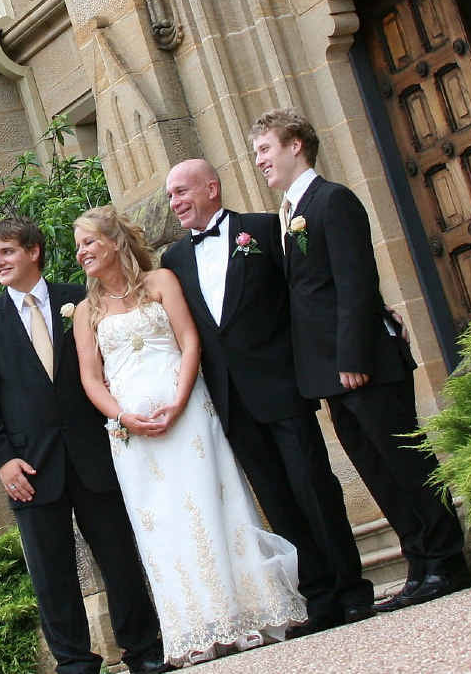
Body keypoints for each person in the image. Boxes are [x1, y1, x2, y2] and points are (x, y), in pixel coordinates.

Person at [250, 107, 471, 610]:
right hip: (330, 371)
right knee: (376, 470)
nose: (258, 159)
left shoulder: (334, 200)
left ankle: (447, 559)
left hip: (363, 363)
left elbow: (355, 282)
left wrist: (353, 356)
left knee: (405, 461)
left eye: (265, 148)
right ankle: (419, 564)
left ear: (295, 146)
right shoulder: (289, 215)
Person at [72, 205, 306, 667]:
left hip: (189, 414)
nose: (81, 253)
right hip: (134, 436)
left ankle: (247, 613)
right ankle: (195, 626)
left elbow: (189, 340)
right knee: (162, 521)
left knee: (210, 503)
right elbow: (91, 379)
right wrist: (124, 418)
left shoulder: (161, 283)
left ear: (115, 241)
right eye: (79, 245)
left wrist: (179, 401)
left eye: (89, 242)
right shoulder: (86, 311)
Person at [160, 158, 374, 638]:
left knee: (315, 488)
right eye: (171, 196)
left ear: (211, 188)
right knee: (276, 501)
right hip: (230, 401)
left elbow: (302, 295)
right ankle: (316, 597)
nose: (175, 203)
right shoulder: (173, 260)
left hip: (282, 386)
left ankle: (352, 591)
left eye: (181, 192)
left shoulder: (262, 228)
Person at [0, 218, 166, 674]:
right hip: (30, 468)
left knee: (119, 557)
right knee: (52, 573)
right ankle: (74, 662)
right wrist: (2, 463)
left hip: (95, 453)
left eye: (7, 252)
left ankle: (144, 650)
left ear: (33, 251)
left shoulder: (79, 298)